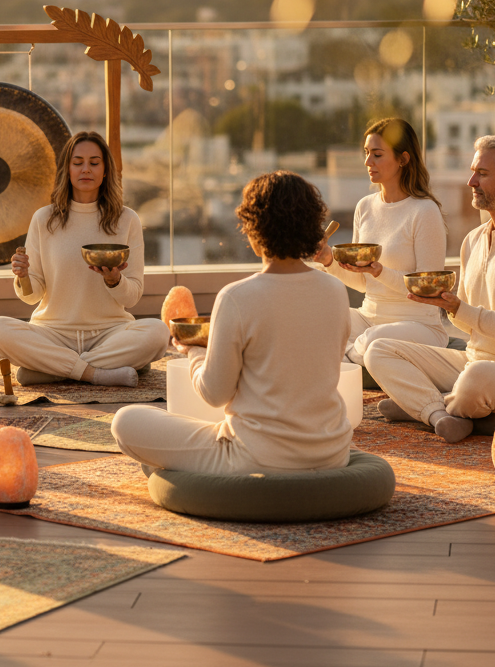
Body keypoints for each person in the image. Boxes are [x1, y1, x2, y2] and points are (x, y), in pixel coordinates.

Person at [111, 171, 353, 474]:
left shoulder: (237, 297)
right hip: (332, 453)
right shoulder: (335, 290)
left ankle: (178, 469)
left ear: (253, 230)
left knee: (126, 421)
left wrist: (194, 351)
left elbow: (214, 394)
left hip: (256, 456)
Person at [366, 135, 495, 443]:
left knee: (475, 381)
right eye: (473, 171)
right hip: (476, 359)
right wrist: (447, 305)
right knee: (379, 349)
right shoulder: (473, 240)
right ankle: (437, 411)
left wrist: (458, 308)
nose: (471, 181)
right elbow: (466, 323)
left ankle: (422, 405)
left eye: (482, 174)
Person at [0, 131, 168, 388]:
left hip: (110, 332)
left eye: (94, 163)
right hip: (53, 331)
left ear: (105, 171)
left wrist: (115, 280)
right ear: (67, 169)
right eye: (77, 162)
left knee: (158, 334)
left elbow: (132, 297)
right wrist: (23, 277)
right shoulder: (44, 219)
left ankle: (52, 369)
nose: (86, 169)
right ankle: (96, 373)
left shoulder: (127, 220)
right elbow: (32, 295)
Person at [313, 118, 448, 366]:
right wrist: (328, 259)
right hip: (370, 317)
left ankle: (343, 358)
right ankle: (349, 358)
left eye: (376, 154)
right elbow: (362, 283)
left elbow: (428, 290)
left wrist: (380, 271)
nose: (367, 162)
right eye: (366, 153)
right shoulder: (365, 207)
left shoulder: (425, 211)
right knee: (319, 320)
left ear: (403, 159)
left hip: (418, 325)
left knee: (374, 339)